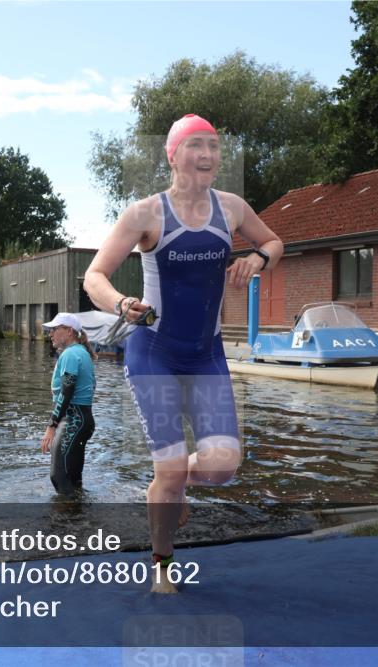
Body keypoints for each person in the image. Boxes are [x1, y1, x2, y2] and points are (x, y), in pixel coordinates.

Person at [84, 114, 284, 593]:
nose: (208, 155)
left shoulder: (232, 208)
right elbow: (94, 277)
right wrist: (123, 304)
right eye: (196, 145)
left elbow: (275, 241)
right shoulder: (144, 214)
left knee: (220, 467)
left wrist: (257, 258)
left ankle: (172, 486)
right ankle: (161, 567)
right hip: (153, 352)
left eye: (214, 147)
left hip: (205, 353)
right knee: (169, 471)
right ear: (172, 155)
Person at [39, 313, 97, 495]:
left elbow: (67, 391)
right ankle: (79, 518)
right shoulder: (81, 352)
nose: (51, 334)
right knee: (73, 480)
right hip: (82, 419)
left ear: (69, 331)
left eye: (55, 329)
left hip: (73, 420)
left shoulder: (71, 354)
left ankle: (64, 522)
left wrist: (51, 425)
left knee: (59, 478)